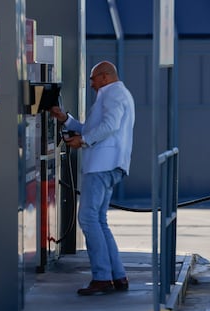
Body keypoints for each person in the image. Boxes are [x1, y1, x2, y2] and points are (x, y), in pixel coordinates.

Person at [50, 61, 135, 295]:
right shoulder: (114, 94)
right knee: (99, 220)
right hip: (107, 164)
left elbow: (109, 126)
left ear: (105, 77)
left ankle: (102, 277)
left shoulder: (114, 93)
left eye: (93, 78)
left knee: (87, 217)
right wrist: (66, 119)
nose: (90, 84)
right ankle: (117, 275)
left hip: (102, 165)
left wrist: (83, 141)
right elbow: (91, 127)